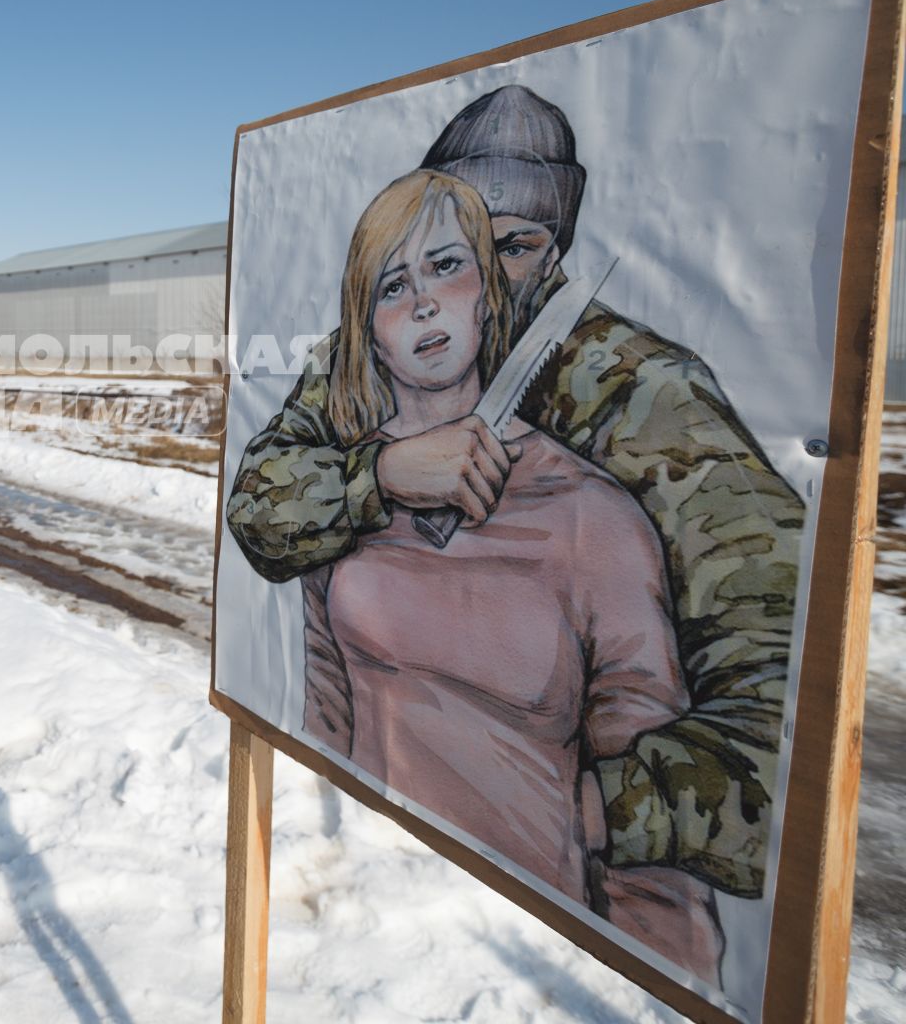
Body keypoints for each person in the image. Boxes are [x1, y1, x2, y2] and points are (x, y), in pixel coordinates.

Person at [225, 84, 801, 902]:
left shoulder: (642, 391)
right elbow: (260, 507)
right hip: (396, 826)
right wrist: (379, 475)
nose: (486, 282)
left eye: (516, 247)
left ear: (558, 252)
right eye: (462, 248)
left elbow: (783, 706)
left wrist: (585, 815)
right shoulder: (381, 351)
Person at [299, 169, 721, 979]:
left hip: (525, 952)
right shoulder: (347, 495)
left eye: (447, 267)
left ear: (488, 293)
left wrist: (666, 979)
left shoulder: (591, 515)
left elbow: (645, 804)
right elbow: (324, 710)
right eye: (395, 284)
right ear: (369, 327)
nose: (424, 301)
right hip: (374, 914)